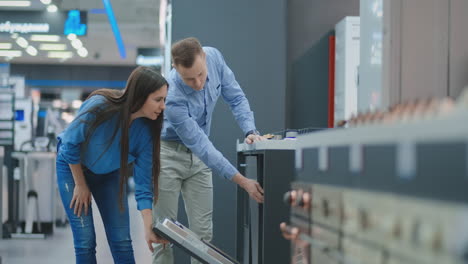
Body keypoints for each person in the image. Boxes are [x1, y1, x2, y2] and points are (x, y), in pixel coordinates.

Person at [152, 37, 265, 264]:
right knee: (164, 234)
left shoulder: (214, 57)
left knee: (203, 235)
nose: (198, 83)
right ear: (176, 69)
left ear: (204, 56)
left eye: (201, 75)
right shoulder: (172, 95)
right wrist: (243, 181)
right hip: (168, 155)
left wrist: (249, 130)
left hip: (198, 159)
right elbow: (202, 146)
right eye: (189, 79)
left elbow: (236, 97)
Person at [56, 66, 168, 264]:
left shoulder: (146, 132)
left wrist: (148, 227)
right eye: (158, 100)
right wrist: (81, 185)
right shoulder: (99, 106)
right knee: (85, 240)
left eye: (164, 100)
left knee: (122, 241)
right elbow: (69, 144)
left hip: (109, 174)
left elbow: (143, 186)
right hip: (73, 168)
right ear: (140, 96)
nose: (163, 106)